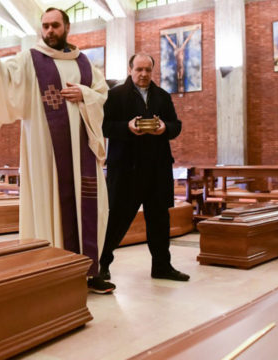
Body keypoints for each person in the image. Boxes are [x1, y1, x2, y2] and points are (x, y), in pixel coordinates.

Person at [0, 7, 114, 293]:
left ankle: (90, 271)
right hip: (45, 152)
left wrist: (84, 95)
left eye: (55, 26)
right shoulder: (29, 59)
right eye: (45, 26)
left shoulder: (85, 63)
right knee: (50, 201)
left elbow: (102, 95)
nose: (49, 31)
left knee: (92, 205)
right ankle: (50, 267)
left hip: (82, 152)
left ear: (67, 28)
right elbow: (4, 79)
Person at [97, 53, 189, 284]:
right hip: (126, 169)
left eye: (148, 70)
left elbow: (176, 126)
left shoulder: (162, 96)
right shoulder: (115, 95)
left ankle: (162, 266)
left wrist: (163, 127)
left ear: (152, 71)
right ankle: (101, 265)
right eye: (139, 69)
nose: (144, 74)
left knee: (159, 219)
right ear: (130, 70)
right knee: (117, 219)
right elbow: (104, 126)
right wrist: (127, 127)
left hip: (157, 169)